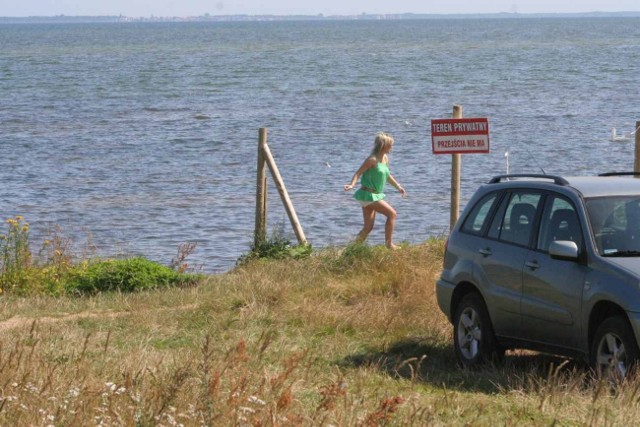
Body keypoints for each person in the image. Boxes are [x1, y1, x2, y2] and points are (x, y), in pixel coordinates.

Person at [344, 132, 406, 249]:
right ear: (383, 145)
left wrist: (398, 186)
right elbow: (358, 173)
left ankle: (352, 249)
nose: (391, 148)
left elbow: (387, 176)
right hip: (367, 194)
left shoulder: (385, 159)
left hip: (374, 195)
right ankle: (389, 244)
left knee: (368, 227)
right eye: (390, 145)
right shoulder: (372, 160)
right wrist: (352, 185)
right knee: (392, 214)